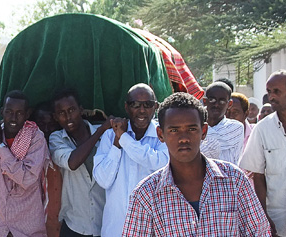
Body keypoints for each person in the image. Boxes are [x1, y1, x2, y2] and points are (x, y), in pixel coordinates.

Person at [122, 92, 271, 236]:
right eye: (174, 130)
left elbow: (260, 232)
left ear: (204, 131)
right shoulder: (146, 194)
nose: (184, 138)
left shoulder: (234, 180)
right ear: (161, 134)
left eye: (192, 129)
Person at [93, 83, 169, 237]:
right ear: (126, 107)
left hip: (151, 230)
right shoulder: (110, 136)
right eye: (135, 104)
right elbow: (103, 180)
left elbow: (159, 163)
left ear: (156, 107)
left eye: (147, 104)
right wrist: (116, 144)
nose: (142, 110)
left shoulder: (163, 134)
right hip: (116, 229)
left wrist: (124, 139)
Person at [0, 90, 49, 236]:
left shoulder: (35, 138)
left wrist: (0, 146)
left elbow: (27, 178)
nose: (13, 118)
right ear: (2, 112)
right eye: (9, 112)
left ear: (27, 114)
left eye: (19, 113)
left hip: (26, 230)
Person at [239, 69, 286, 236]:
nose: (271, 96)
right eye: (269, 91)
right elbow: (257, 175)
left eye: (277, 91)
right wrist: (264, 217)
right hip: (275, 222)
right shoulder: (262, 129)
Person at [49, 89, 111, 237]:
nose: (68, 117)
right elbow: (72, 163)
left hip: (105, 224)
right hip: (75, 226)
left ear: (81, 110)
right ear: (55, 117)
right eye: (61, 113)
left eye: (71, 110)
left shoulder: (107, 136)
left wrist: (102, 131)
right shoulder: (56, 139)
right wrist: (100, 131)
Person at [32, 102, 62, 237]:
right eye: (41, 125)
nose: (46, 129)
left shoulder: (64, 150)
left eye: (51, 125)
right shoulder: (28, 155)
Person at [202, 82, 244, 165]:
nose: (216, 105)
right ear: (204, 101)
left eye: (222, 101)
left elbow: (208, 146)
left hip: (227, 177)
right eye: (212, 100)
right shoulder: (195, 126)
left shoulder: (236, 128)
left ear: (229, 104)